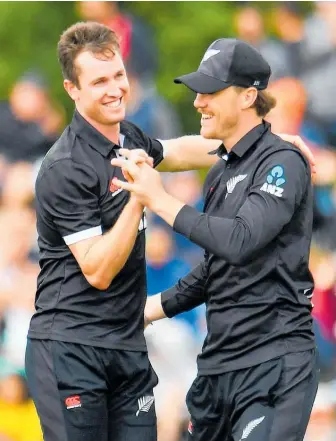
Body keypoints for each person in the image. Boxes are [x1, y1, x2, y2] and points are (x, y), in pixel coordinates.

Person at [25, 22, 314, 441]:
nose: (115, 89)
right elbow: (99, 271)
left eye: (119, 76)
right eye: (99, 81)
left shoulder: (129, 136)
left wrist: (269, 140)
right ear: (72, 90)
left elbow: (179, 151)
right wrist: (144, 197)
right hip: (71, 347)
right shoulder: (65, 167)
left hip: (132, 349)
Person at [112, 38, 318, 441]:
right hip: (217, 370)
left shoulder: (282, 162)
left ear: (248, 96)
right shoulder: (219, 173)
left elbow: (240, 240)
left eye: (209, 92)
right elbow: (215, 270)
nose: (197, 102)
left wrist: (160, 200)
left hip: (272, 365)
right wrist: (145, 311)